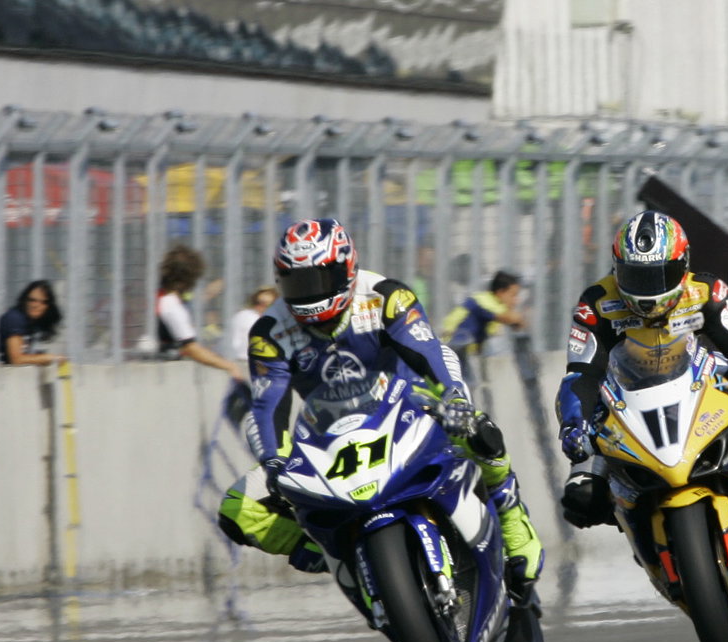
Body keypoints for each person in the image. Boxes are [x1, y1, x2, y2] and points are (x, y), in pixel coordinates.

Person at [219, 219, 544, 589]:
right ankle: (328, 549)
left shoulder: (386, 295)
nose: (310, 293)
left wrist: (454, 397)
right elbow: (267, 405)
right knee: (236, 508)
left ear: (346, 267)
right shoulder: (268, 332)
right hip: (329, 433)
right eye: (298, 283)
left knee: (479, 430)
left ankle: (510, 514)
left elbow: (428, 351)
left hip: (409, 406)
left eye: (320, 279)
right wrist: (274, 461)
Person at [556, 210, 728, 555]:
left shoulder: (707, 290)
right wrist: (573, 424)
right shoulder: (596, 303)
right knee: (581, 497)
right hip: (625, 405)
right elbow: (581, 373)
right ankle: (641, 528)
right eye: (636, 276)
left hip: (700, 385)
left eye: (659, 276)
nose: (647, 290)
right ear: (617, 268)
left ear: (682, 265)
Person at [156, 244, 245, 382]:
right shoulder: (172, 305)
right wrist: (229, 366)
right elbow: (191, 349)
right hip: (170, 378)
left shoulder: (161, 298)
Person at [441, 269, 528, 372]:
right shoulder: (485, 301)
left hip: (461, 351)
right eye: (513, 295)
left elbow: (515, 324)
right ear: (500, 292)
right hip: (453, 349)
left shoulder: (489, 301)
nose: (516, 301)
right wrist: (519, 319)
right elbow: (511, 319)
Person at [0, 279, 65, 366]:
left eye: (43, 302)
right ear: (25, 300)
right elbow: (16, 359)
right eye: (32, 300)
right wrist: (48, 358)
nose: (36, 305)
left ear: (49, 306)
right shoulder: (15, 319)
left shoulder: (33, 322)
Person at [226, 286, 277, 362]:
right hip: (244, 359)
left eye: (268, 305)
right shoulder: (247, 316)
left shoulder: (270, 319)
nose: (262, 307)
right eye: (259, 303)